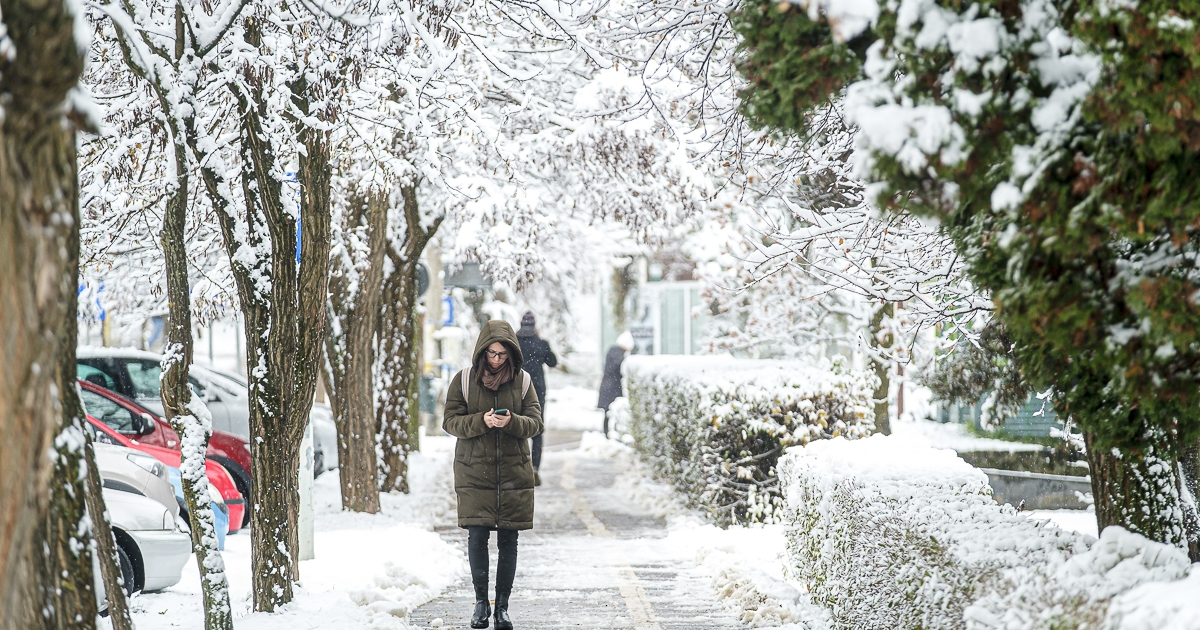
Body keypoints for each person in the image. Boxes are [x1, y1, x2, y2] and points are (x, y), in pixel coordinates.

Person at [443, 320, 543, 630]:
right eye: (491, 353)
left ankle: (502, 606)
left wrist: (511, 422)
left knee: (509, 541)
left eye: (502, 354)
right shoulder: (463, 381)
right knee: (477, 537)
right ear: (482, 351)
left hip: (513, 471)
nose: (496, 360)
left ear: (511, 353)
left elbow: (536, 423)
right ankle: (480, 603)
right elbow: (450, 422)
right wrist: (480, 421)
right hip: (474, 471)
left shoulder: (523, 381)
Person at [516, 312, 557, 486]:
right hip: (537, 391)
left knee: (518, 429)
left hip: (517, 390)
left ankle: (519, 468)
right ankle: (534, 468)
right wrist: (541, 343)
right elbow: (553, 362)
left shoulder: (513, 343)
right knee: (537, 431)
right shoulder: (541, 343)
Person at [597, 331, 634, 437]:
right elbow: (618, 367)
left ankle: (607, 433)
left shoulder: (612, 351)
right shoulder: (619, 355)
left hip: (609, 386)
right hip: (614, 388)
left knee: (608, 412)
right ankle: (609, 433)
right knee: (613, 411)